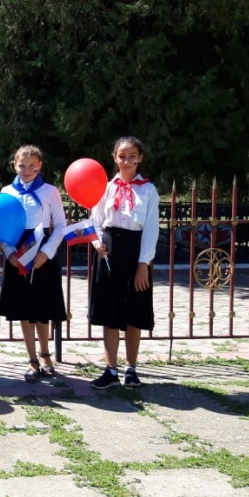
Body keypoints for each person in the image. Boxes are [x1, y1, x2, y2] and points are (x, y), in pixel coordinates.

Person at [89, 136, 160, 389]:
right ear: (114, 158)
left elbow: (151, 229)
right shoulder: (106, 187)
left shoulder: (148, 190)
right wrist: (97, 243)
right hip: (109, 252)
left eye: (132, 156)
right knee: (110, 311)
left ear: (140, 158)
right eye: (122, 156)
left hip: (135, 252)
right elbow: (95, 221)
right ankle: (110, 369)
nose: (126, 161)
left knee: (134, 311)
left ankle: (131, 368)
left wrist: (143, 264)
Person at [0, 145, 67, 383]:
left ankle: (45, 354)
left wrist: (46, 253)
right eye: (22, 165)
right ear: (14, 165)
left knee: (42, 308)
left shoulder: (50, 191)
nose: (27, 170)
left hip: (42, 251)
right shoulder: (7, 191)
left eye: (32, 166)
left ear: (40, 167)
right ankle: (32, 359)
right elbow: (2, 227)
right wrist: (10, 254)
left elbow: (60, 225)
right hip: (17, 250)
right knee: (24, 309)